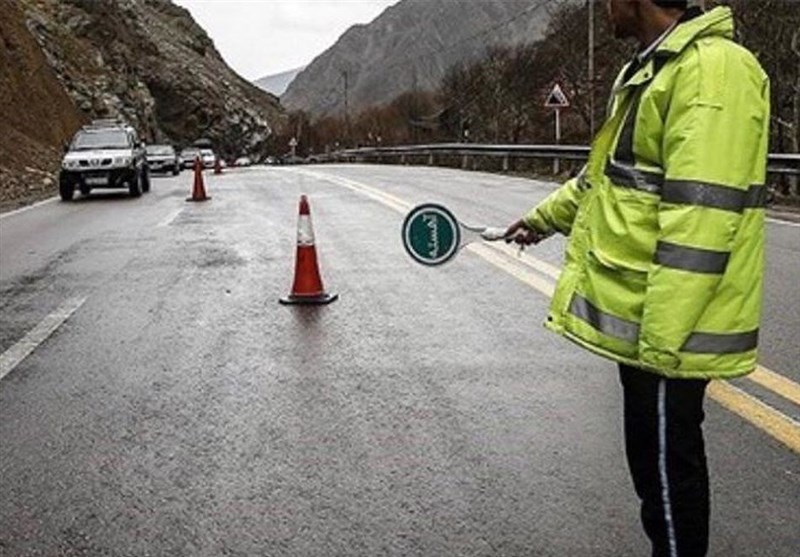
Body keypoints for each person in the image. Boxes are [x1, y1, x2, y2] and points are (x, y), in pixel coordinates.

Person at [504, 1, 770, 555]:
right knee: (655, 476)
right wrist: (539, 220)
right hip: (650, 326)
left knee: (670, 484)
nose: (603, 7)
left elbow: (701, 219)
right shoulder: (651, 69)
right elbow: (601, 183)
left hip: (669, 330)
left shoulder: (711, 71)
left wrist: (659, 345)